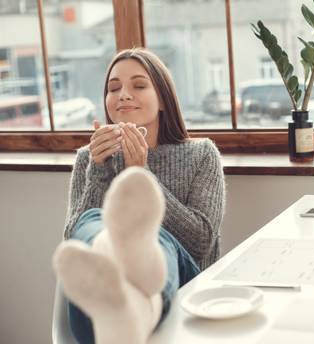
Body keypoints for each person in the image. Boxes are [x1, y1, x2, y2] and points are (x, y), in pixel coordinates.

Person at [52, 48, 225, 344]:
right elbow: (75, 240)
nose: (123, 95)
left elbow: (200, 243)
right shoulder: (89, 159)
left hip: (184, 297)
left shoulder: (202, 154)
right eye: (114, 88)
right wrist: (100, 170)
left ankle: (134, 287)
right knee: (93, 219)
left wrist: (143, 174)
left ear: (163, 100)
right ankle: (127, 307)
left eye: (139, 85)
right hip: (100, 316)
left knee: (149, 233)